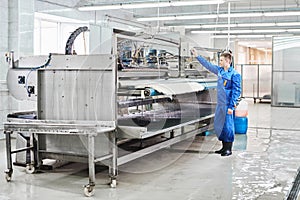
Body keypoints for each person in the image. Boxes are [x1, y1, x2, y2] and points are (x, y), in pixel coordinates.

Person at [191, 48, 241, 156]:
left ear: (228, 61)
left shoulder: (235, 74)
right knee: (220, 126)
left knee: (228, 126)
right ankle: (223, 147)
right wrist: (197, 56)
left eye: (221, 60)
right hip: (220, 104)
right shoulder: (220, 71)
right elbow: (208, 65)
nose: (220, 62)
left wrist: (231, 106)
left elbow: (236, 92)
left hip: (228, 105)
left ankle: (228, 149)